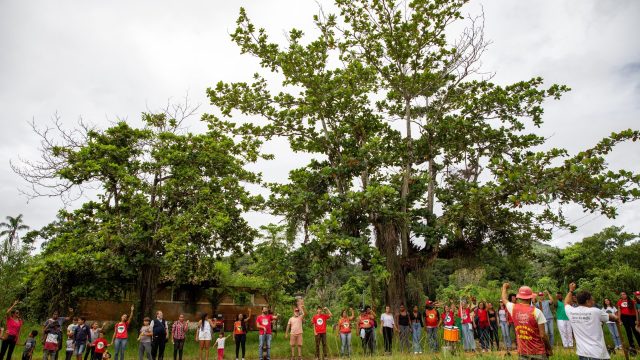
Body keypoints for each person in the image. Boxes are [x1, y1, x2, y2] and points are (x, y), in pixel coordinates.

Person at [565, 283, 618, 360]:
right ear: (587, 301)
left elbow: (566, 302)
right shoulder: (596, 311)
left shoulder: (571, 311)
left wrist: (571, 290)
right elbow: (612, 317)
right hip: (598, 354)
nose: (593, 301)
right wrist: (617, 318)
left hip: (582, 354)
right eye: (592, 299)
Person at [501, 283, 552, 359]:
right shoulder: (537, 312)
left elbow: (504, 299)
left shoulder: (513, 308)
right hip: (538, 352)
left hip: (523, 352)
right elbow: (543, 335)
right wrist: (549, 348)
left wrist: (504, 287)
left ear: (519, 297)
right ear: (531, 297)